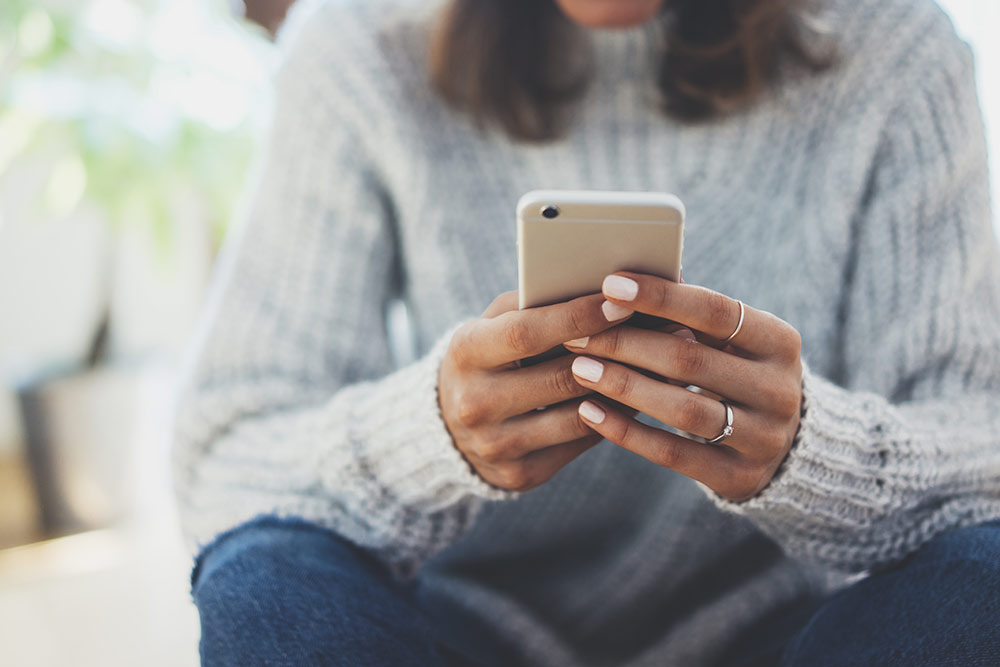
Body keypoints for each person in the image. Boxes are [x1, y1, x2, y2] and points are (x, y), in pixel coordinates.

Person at [174, 0, 1000, 664]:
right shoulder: (358, 48)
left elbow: (983, 447)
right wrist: (430, 434)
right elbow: (230, 458)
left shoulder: (898, 50)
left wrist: (813, 452)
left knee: (980, 579)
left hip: (784, 632)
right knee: (266, 581)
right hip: (451, 629)